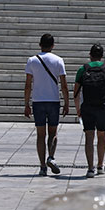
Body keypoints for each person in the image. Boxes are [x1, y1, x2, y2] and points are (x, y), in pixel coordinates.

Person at [73, 43, 105, 178]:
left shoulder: (82, 70)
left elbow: (76, 93)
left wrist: (78, 109)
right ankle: (100, 165)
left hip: (87, 106)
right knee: (101, 135)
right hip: (103, 106)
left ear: (90, 55)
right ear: (101, 56)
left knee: (89, 137)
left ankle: (90, 168)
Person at [24, 33, 69, 176]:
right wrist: (67, 103)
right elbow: (64, 85)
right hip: (53, 101)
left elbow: (28, 84)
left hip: (38, 101)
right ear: (53, 45)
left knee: (40, 135)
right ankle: (51, 157)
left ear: (40, 45)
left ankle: (43, 166)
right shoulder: (58, 60)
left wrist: (26, 104)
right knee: (53, 133)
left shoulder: (32, 60)